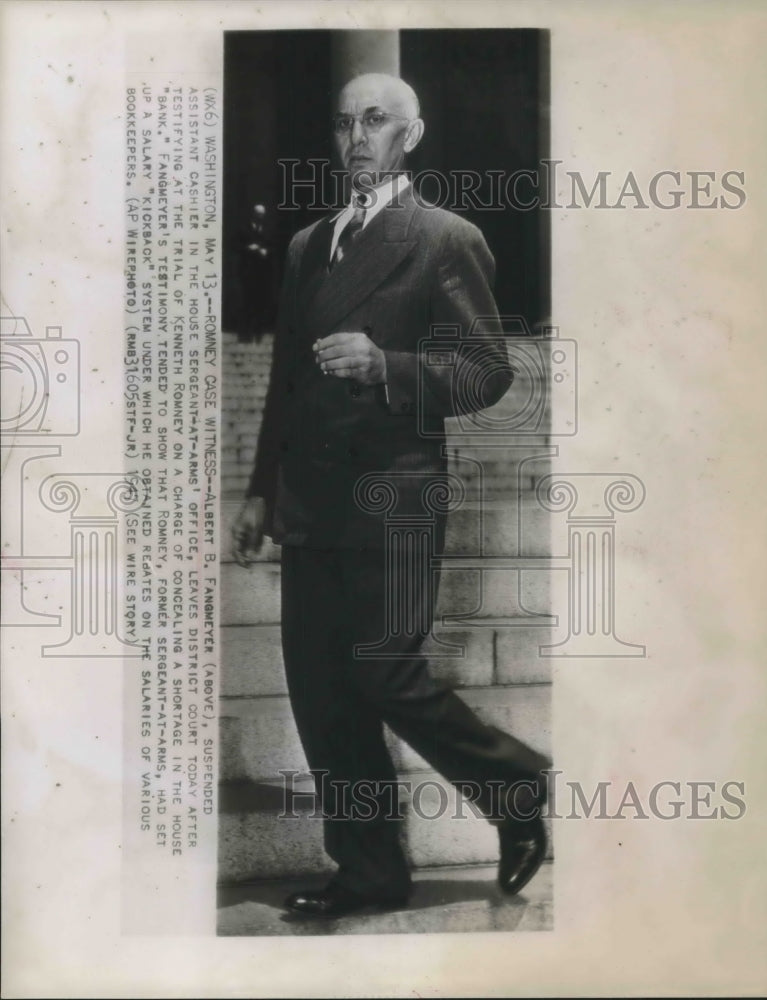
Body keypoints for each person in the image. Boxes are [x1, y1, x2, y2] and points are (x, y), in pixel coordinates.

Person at [232, 73, 550, 918]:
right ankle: (368, 875)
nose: (356, 138)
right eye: (344, 124)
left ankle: (518, 785)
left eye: (375, 121)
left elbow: (486, 372)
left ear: (411, 135)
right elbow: (286, 386)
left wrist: (388, 368)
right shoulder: (308, 246)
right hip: (310, 503)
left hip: (396, 500)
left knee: (386, 675)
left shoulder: (444, 238)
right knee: (322, 695)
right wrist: (261, 490)